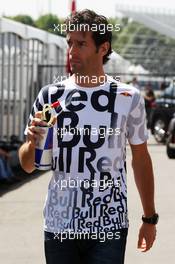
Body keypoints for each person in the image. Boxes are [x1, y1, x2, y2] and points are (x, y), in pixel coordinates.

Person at [18, 9, 158, 264]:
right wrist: (31, 142)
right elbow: (28, 165)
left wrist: (149, 218)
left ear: (103, 48)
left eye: (81, 43)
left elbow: (141, 159)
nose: (72, 50)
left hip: (109, 226)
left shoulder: (128, 98)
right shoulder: (51, 96)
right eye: (69, 42)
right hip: (59, 225)